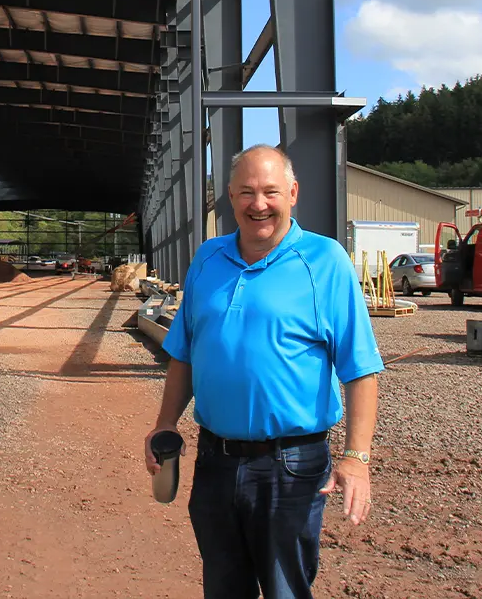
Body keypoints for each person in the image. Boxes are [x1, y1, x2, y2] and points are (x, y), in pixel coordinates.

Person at [143, 144, 383, 599]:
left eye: (271, 191)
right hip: (215, 462)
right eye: (246, 192)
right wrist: (164, 424)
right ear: (229, 198)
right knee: (222, 585)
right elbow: (184, 354)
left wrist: (357, 458)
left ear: (292, 193)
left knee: (284, 589)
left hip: (291, 466)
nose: (259, 204)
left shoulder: (325, 261)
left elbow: (361, 369)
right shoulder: (207, 260)